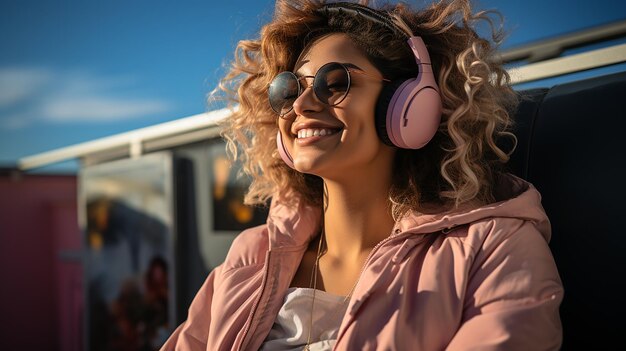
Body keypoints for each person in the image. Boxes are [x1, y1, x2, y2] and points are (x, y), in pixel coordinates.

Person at [162, 0, 563, 350]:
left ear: (410, 106)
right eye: (288, 89)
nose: (301, 104)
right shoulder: (252, 254)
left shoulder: (492, 249)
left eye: (335, 83)